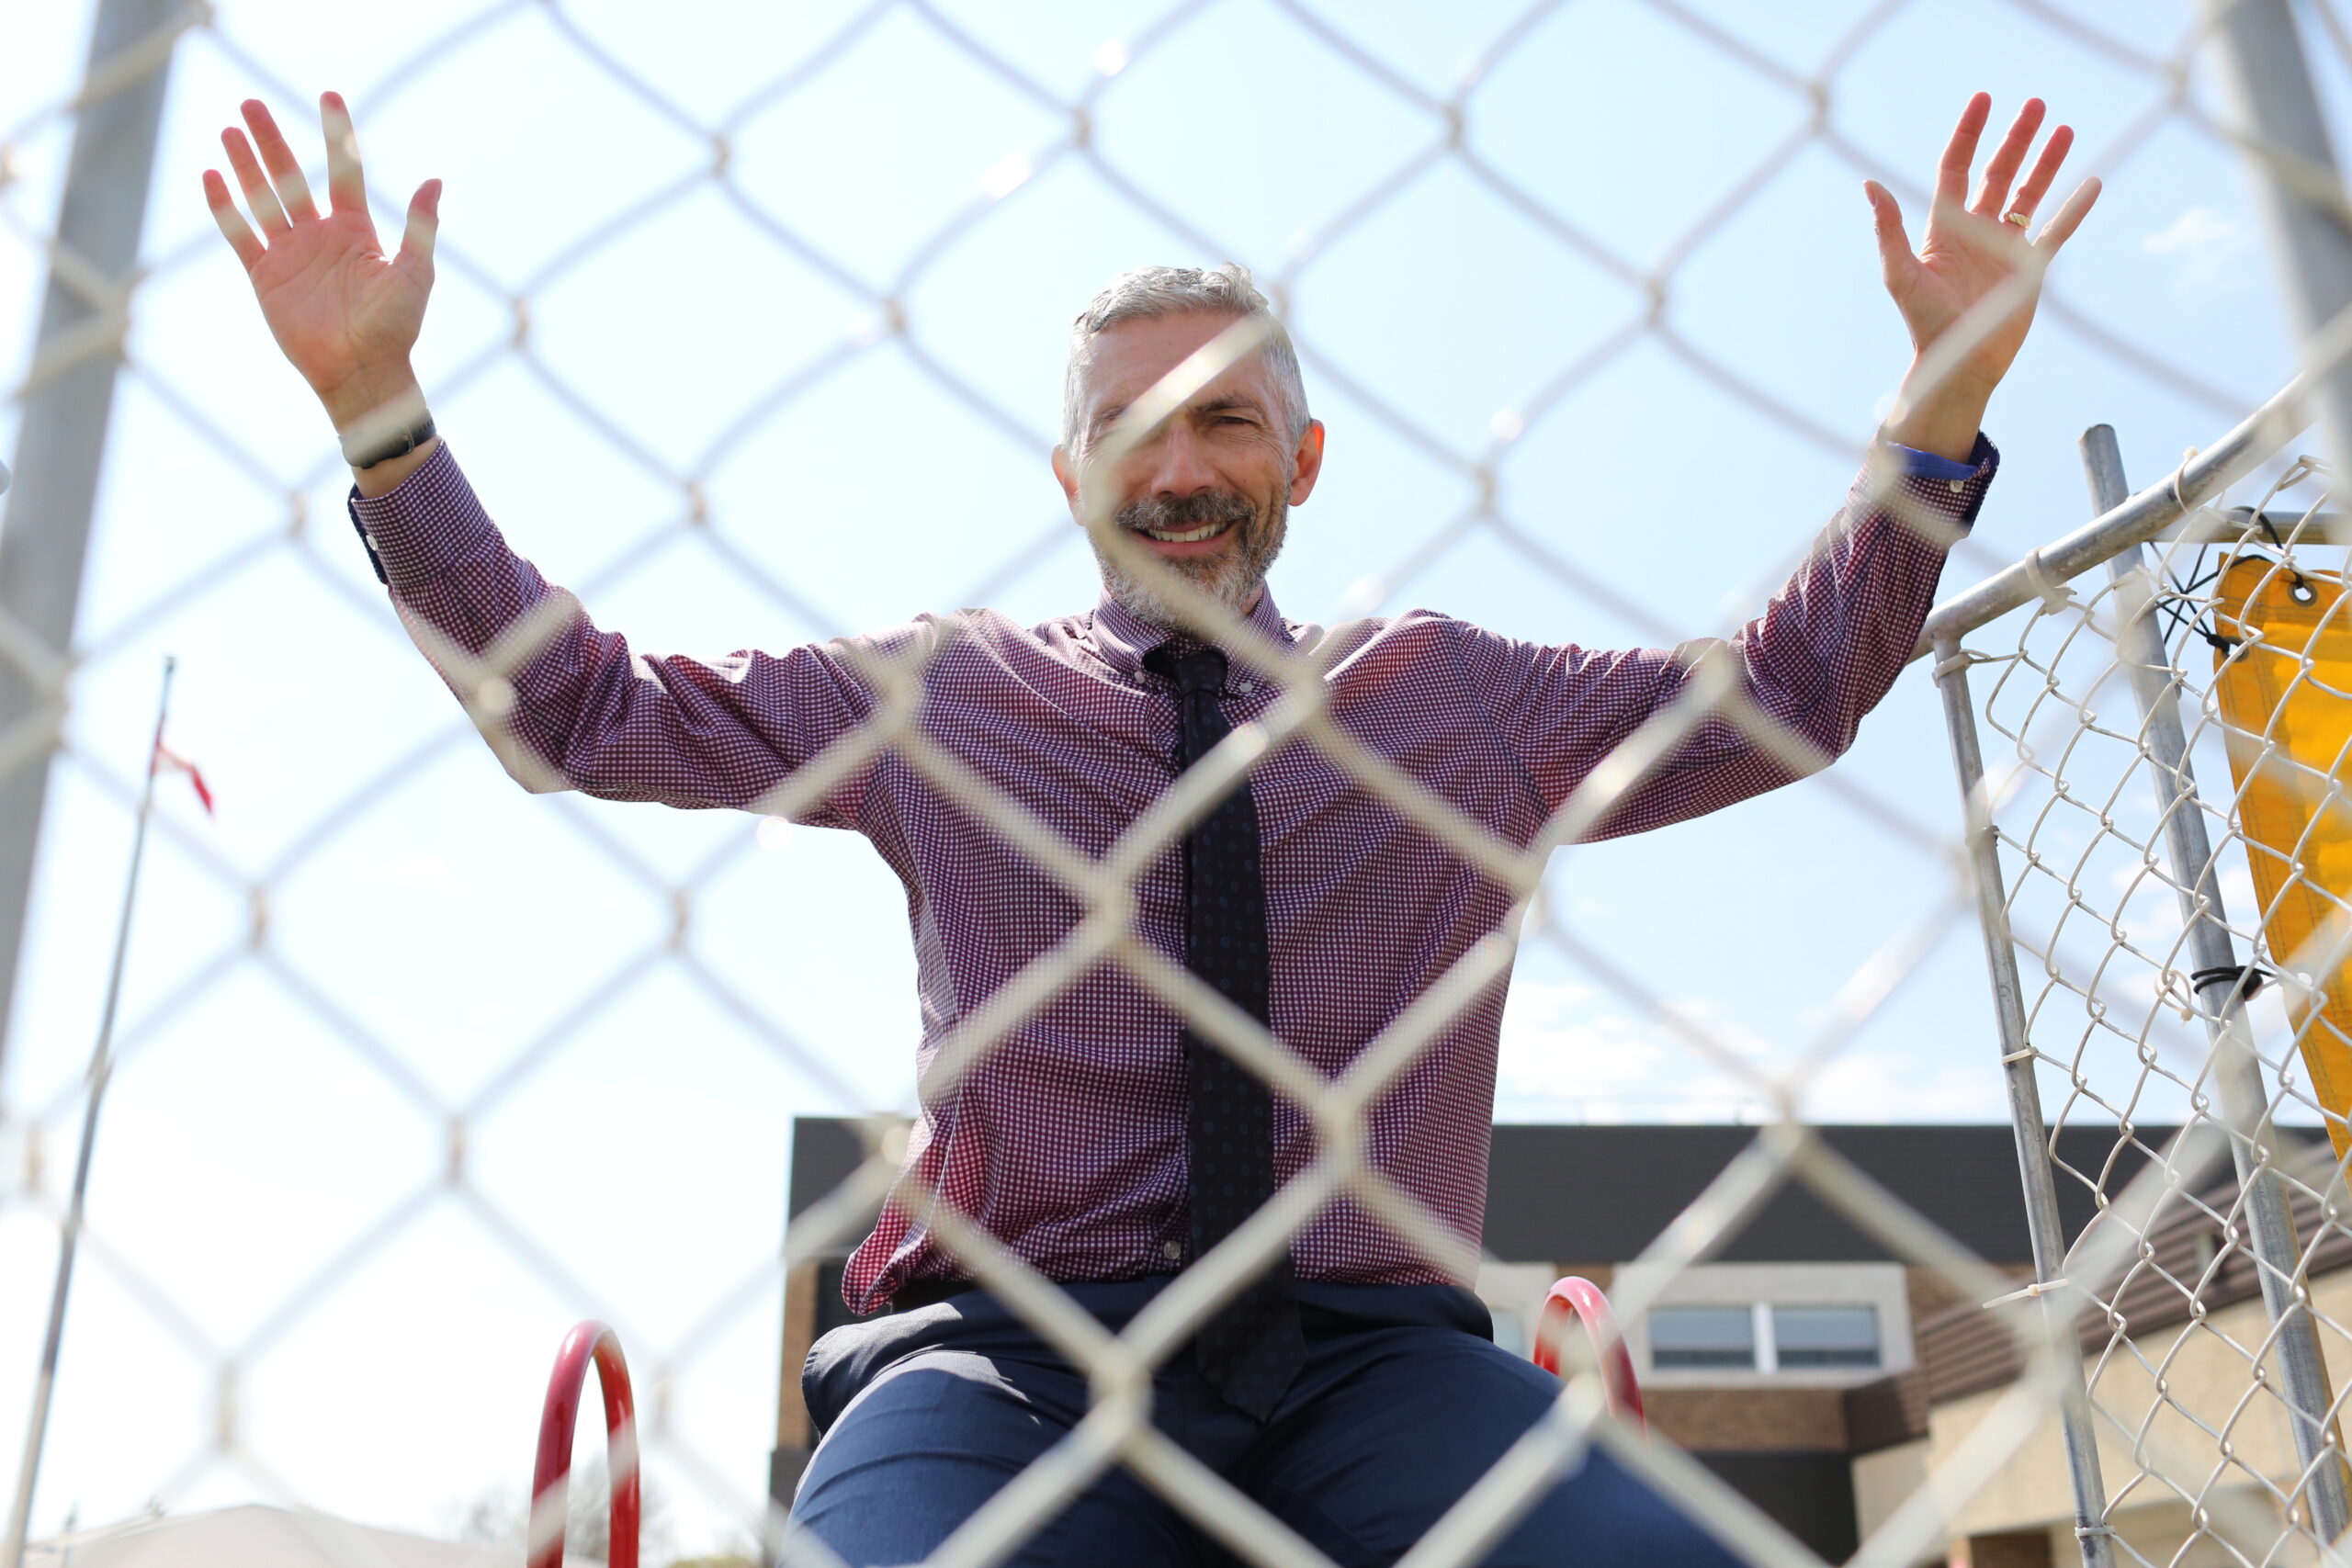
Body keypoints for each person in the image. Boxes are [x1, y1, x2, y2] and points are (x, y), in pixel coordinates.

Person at [205, 89, 2096, 1566]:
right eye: (1131, 429)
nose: (1178, 467)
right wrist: (381, 411)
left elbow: (1780, 693)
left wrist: (1939, 402)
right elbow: (584, 714)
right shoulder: (944, 698)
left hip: (1370, 1359)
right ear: (1070, 474)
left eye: (1225, 422)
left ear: (1304, 460)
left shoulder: (1447, 699)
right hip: (1006, 1357)